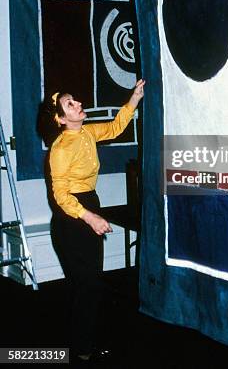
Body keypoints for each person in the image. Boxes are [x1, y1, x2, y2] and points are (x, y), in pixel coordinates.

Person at [48, 79, 145, 361]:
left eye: (75, 100)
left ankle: (80, 344)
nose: (78, 104)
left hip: (89, 204)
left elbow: (115, 127)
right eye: (70, 104)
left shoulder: (87, 133)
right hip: (72, 216)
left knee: (88, 285)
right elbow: (60, 195)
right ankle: (81, 349)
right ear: (61, 118)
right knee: (88, 285)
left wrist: (134, 99)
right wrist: (90, 218)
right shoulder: (61, 148)